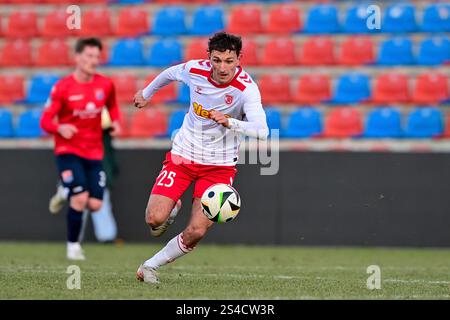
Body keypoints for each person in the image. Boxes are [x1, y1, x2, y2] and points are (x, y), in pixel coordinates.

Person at [133, 32, 269, 284]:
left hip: (218, 167)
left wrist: (230, 122)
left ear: (239, 59)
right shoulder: (194, 69)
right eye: (217, 60)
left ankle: (150, 266)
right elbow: (170, 73)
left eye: (229, 61)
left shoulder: (246, 88)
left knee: (196, 230)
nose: (222, 67)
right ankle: (172, 209)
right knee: (154, 219)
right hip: (183, 155)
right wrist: (147, 92)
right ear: (209, 58)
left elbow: (262, 130)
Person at [40, 38, 121, 260]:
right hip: (68, 150)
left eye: (96, 57)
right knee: (80, 198)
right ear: (78, 57)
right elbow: (45, 121)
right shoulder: (63, 87)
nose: (93, 61)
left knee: (95, 204)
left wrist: (115, 122)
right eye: (89, 56)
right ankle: (73, 246)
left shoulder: (105, 84)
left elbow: (112, 107)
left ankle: (64, 189)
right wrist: (60, 127)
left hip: (94, 152)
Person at [48, 108, 120, 244]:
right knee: (81, 198)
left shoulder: (98, 109)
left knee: (97, 200)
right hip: (82, 158)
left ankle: (106, 236)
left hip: (96, 162)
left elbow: (108, 123)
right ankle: (78, 237)